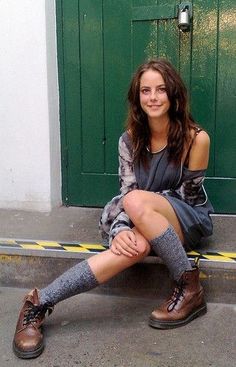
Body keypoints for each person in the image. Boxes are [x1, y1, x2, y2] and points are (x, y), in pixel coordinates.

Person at [13, 58, 214, 359]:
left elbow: (187, 196)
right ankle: (39, 303)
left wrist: (138, 212)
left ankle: (187, 284)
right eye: (145, 91)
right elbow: (127, 192)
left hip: (186, 218)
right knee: (135, 245)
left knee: (135, 202)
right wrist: (122, 230)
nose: (153, 97)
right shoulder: (129, 141)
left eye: (161, 89)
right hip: (145, 219)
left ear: (173, 95)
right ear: (137, 97)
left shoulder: (195, 139)